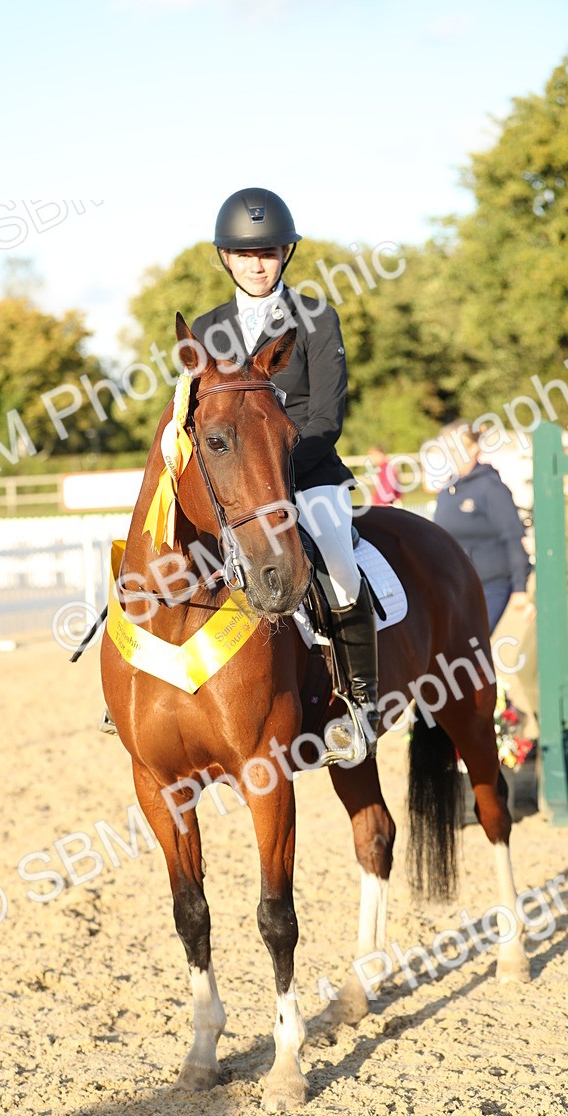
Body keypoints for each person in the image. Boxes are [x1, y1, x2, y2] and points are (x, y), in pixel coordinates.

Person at [189, 188, 379, 764]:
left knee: (341, 568)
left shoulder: (317, 319)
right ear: (226, 257)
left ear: (285, 255)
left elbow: (327, 415)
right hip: (233, 487)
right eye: (245, 254)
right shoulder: (205, 326)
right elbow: (194, 415)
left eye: (267, 252)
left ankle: (358, 705)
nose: (256, 263)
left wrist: (275, 471)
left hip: (308, 473)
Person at [433, 419, 530, 632]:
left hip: (491, 586)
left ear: (474, 447)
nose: (451, 454)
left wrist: (520, 588)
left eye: (456, 448)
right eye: (447, 449)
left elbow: (513, 537)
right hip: (455, 585)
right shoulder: (447, 489)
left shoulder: (491, 487)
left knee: (471, 648)